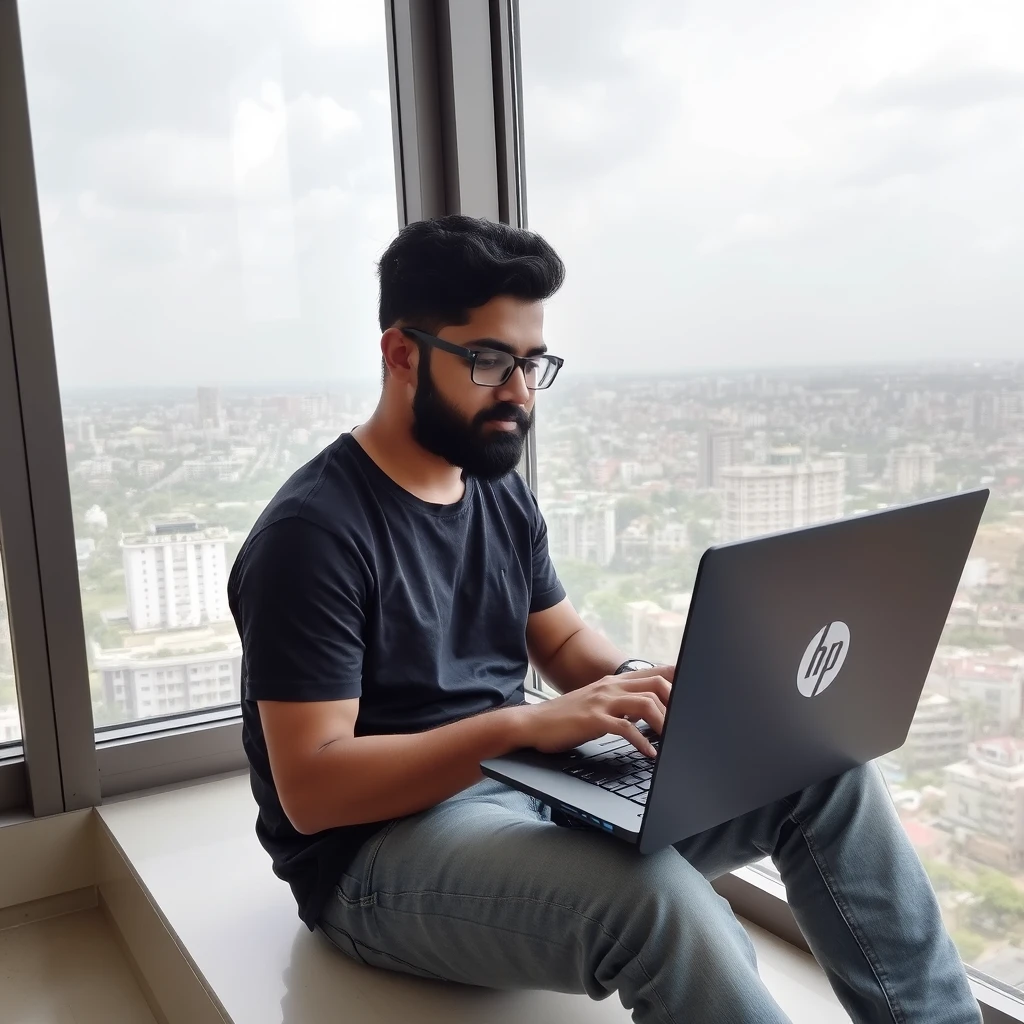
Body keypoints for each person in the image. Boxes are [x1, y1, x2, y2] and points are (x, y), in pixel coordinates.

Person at [228, 215, 981, 1023]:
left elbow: (560, 640)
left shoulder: (492, 488)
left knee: (822, 771)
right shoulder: (313, 535)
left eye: (531, 363)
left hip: (525, 788)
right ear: (401, 353)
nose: (518, 392)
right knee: (662, 905)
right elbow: (314, 788)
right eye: (487, 361)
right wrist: (520, 729)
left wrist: (652, 689)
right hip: (376, 856)